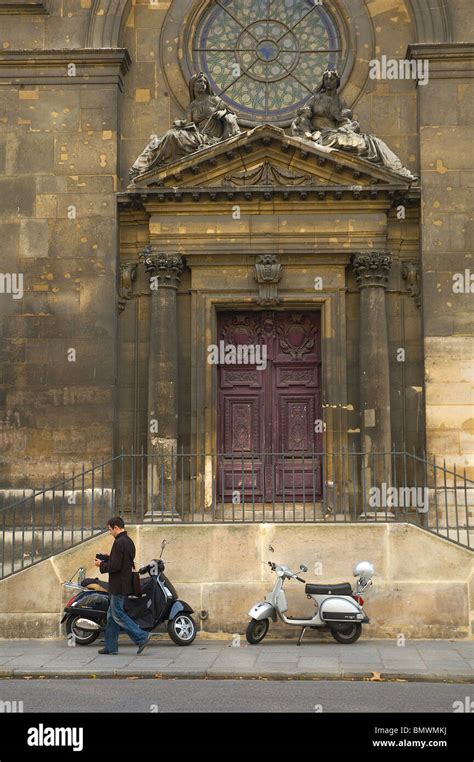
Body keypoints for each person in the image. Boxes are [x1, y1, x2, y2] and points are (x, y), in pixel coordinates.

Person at [129, 72, 240, 181]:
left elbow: (232, 114)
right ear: (193, 86)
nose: (203, 84)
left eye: (205, 82)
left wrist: (223, 114)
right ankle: (145, 167)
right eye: (199, 82)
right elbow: (186, 122)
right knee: (171, 135)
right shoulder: (193, 105)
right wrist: (180, 124)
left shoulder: (215, 100)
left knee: (171, 136)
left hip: (211, 138)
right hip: (198, 136)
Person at [95, 516, 151, 655]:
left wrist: (101, 564)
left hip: (118, 585)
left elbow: (115, 566)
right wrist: (109, 557)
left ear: (116, 527)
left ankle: (142, 636)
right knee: (111, 615)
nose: (109, 532)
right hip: (123, 583)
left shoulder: (119, 543)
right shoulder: (128, 541)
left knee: (118, 614)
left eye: (110, 529)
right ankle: (110, 647)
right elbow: (123, 561)